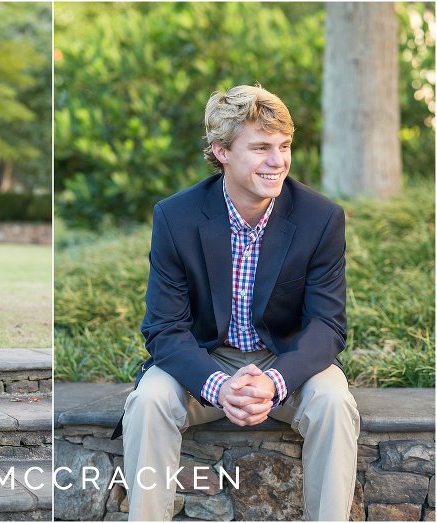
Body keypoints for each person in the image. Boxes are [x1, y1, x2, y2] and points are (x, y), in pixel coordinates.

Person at [115, 85, 360, 520]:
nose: (277, 161)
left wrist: (273, 382)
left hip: (286, 360)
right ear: (221, 151)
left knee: (334, 403)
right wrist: (219, 386)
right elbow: (164, 328)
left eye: (284, 147)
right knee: (149, 401)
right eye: (261, 147)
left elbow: (327, 326)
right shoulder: (176, 217)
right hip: (203, 359)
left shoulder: (320, 218)